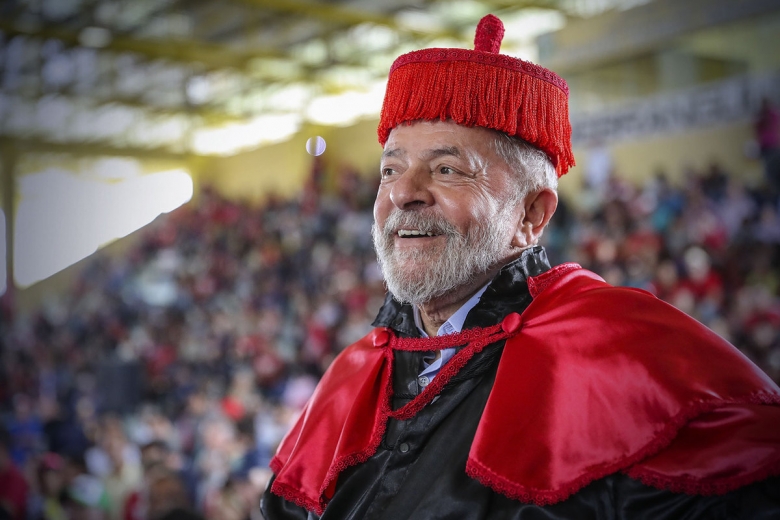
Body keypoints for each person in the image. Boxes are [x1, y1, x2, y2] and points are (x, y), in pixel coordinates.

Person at [261, 14, 780, 519]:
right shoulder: (352, 372)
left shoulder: (624, 353)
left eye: (446, 169)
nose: (403, 193)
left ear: (532, 214)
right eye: (391, 169)